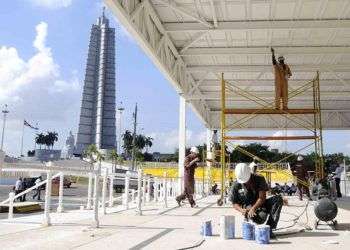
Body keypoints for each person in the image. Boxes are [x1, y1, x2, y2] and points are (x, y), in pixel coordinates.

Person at [230, 163, 283, 237]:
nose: (245, 182)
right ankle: (251, 222)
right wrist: (241, 210)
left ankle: (269, 229)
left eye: (247, 180)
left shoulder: (259, 178)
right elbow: (234, 203)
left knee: (278, 199)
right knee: (261, 218)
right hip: (248, 207)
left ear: (250, 174)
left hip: (261, 203)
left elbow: (262, 197)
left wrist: (254, 208)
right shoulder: (236, 185)